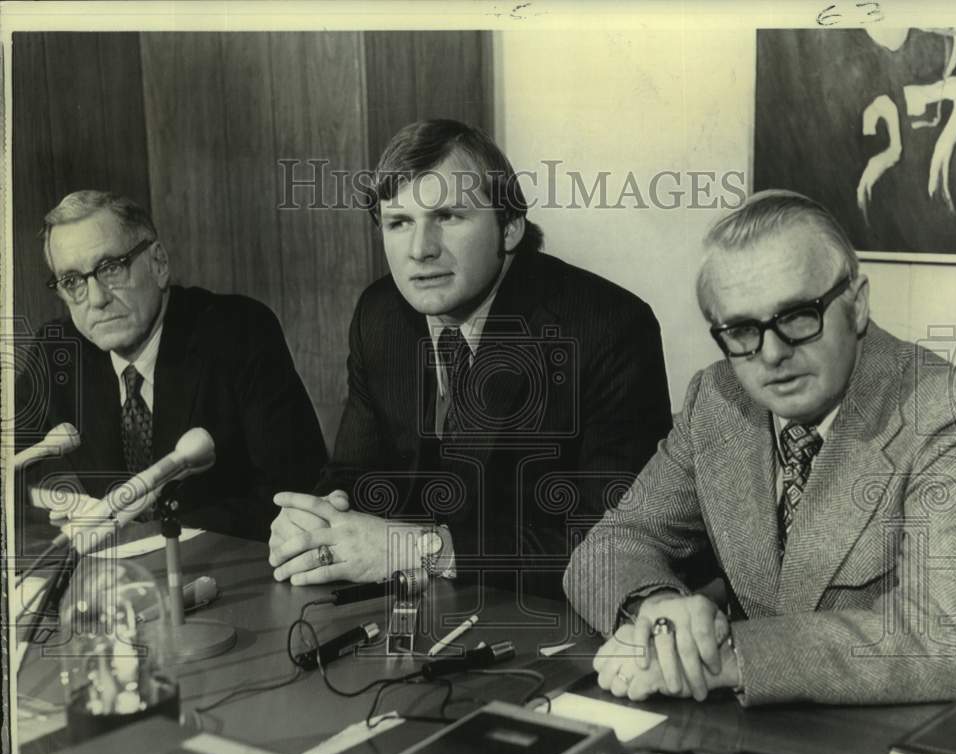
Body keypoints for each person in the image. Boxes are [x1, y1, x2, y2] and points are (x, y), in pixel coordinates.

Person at [565, 190, 956, 706]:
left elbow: (952, 633)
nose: (772, 353)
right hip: (750, 734)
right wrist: (660, 612)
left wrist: (730, 653)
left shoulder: (948, 412)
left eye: (799, 316)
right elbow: (608, 547)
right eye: (743, 330)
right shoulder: (718, 398)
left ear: (858, 303)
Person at [268, 119, 671, 597]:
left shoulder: (607, 327)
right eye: (399, 223)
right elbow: (355, 475)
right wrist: (314, 522)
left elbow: (616, 542)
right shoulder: (380, 315)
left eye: (449, 218)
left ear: (510, 227)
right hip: (412, 611)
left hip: (548, 623)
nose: (421, 250)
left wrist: (414, 548)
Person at [15, 190, 326, 542]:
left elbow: (296, 493)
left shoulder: (238, 332)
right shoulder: (58, 350)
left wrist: (152, 535)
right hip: (117, 580)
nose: (97, 299)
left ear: (159, 263)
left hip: (229, 570)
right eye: (73, 282)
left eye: (111, 269)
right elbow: (15, 476)